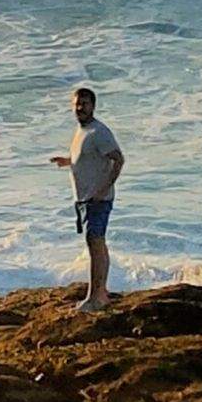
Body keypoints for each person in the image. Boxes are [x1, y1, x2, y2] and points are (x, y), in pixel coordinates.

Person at [49, 84, 124, 309]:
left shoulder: (99, 132)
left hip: (97, 199)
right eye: (76, 104)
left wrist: (104, 189)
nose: (79, 108)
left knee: (95, 242)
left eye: (84, 104)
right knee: (97, 243)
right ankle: (102, 290)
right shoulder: (82, 131)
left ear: (93, 106)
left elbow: (118, 159)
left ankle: (96, 297)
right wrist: (68, 161)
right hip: (85, 199)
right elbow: (86, 158)